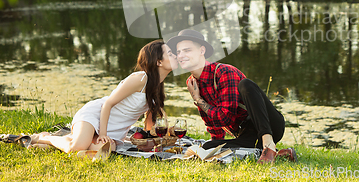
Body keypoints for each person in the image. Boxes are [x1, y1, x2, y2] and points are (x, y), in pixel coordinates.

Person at [167, 29, 296, 164]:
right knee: (207, 147)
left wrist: (198, 100)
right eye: (179, 52)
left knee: (246, 84)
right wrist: (216, 142)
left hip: (269, 124)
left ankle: (268, 144)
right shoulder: (192, 82)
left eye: (187, 50)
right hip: (245, 134)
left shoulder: (224, 72)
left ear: (201, 50)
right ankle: (282, 153)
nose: (181, 55)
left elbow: (225, 117)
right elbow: (211, 121)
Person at [30, 40, 177, 154]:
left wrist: (160, 137)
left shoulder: (158, 87)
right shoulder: (140, 79)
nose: (175, 55)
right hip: (96, 115)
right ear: (158, 62)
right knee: (77, 148)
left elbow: (149, 125)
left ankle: (57, 142)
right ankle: (46, 138)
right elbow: (108, 104)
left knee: (106, 148)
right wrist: (103, 134)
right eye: (170, 54)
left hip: (115, 128)